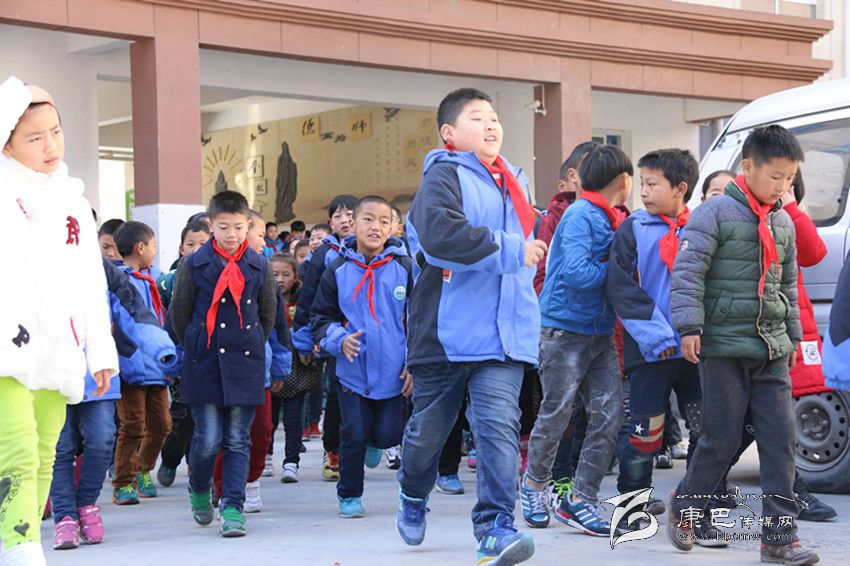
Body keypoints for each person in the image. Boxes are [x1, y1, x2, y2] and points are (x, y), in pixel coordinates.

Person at [399, 88, 546, 566]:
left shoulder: (516, 183)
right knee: (429, 432)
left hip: (503, 335)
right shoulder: (442, 176)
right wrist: (512, 250)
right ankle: (413, 492)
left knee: (498, 428)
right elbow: (440, 239)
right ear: (449, 132)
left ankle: (495, 529)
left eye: (494, 117)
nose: (491, 125)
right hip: (445, 334)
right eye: (477, 117)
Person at [667, 125, 818, 565]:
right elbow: (688, 272)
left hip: (771, 349)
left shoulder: (782, 221)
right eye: (776, 176)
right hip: (722, 347)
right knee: (721, 439)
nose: (783, 186)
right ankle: (686, 506)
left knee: (780, 441)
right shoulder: (713, 213)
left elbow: (786, 285)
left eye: (790, 178)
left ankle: (779, 538)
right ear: (747, 167)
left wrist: (792, 337)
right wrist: (689, 326)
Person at [0, 76, 118, 566]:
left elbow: (90, 281)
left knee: (45, 453)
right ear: (6, 142)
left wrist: (100, 350)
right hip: (7, 346)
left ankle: (18, 540)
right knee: (17, 449)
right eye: (34, 137)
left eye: (56, 131)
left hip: (60, 346)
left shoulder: (72, 200)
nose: (51, 146)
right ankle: (22, 550)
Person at [520, 145, 631, 537]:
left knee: (609, 414)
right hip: (564, 330)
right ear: (624, 181)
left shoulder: (611, 216)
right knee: (558, 413)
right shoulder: (582, 214)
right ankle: (534, 485)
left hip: (598, 332)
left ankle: (581, 498)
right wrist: (618, 270)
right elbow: (578, 273)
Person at [605, 149, 704, 530]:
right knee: (645, 434)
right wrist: (658, 336)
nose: (643, 192)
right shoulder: (632, 229)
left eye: (652, 184)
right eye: (641, 183)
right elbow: (621, 287)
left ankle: (695, 505)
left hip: (697, 351)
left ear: (681, 188)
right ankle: (632, 506)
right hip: (651, 351)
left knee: (705, 429)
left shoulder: (701, 228)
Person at [168, 190, 277, 538]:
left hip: (244, 363)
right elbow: (179, 315)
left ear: (248, 227)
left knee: (237, 440)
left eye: (239, 227)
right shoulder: (193, 264)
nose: (232, 234)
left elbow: (267, 316)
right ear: (211, 225)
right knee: (208, 439)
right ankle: (200, 488)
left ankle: (232, 506)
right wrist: (198, 342)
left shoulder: (259, 265)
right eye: (224, 227)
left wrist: (250, 342)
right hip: (204, 361)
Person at [51, 259, 178, 549]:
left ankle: (86, 504)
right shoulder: (34, 258)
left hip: (98, 372)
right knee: (61, 447)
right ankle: (64, 516)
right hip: (52, 375)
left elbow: (133, 312)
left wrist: (161, 348)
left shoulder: (101, 268)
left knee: (102, 440)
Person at [311, 195, 413, 518]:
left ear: (393, 227)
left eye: (384, 221)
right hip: (352, 370)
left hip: (394, 371)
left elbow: (419, 319)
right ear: (353, 224)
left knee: (389, 434)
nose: (375, 227)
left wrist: (414, 362)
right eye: (367, 219)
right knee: (352, 433)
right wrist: (339, 341)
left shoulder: (405, 267)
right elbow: (320, 318)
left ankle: (374, 441)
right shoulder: (338, 269)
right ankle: (349, 494)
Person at [209, 210, 290, 513]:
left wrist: (279, 364)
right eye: (258, 233)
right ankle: (223, 489)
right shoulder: (209, 269)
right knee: (225, 436)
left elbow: (277, 325)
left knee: (261, 431)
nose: (262, 240)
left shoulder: (263, 272)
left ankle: (251, 480)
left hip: (257, 371)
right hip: (220, 371)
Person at [292, 194, 359, 481]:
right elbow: (308, 298)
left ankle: (369, 440)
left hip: (370, 337)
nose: (345, 220)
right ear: (330, 223)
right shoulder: (324, 254)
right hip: (333, 336)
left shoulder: (378, 250)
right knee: (335, 393)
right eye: (338, 216)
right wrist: (305, 340)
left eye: (350, 215)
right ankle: (333, 450)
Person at [110, 221, 177, 505]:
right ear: (140, 248)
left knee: (162, 425)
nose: (155, 252)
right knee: (133, 426)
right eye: (153, 247)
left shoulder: (155, 280)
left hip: (157, 369)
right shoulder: (118, 281)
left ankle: (141, 469)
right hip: (132, 368)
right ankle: (123, 482)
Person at [155, 220, 211, 488]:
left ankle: (196, 467)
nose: (197, 249)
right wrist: (170, 361)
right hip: (182, 359)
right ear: (181, 248)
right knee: (182, 420)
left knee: (206, 422)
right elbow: (168, 324)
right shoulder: (169, 282)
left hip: (210, 359)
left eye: (203, 243)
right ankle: (169, 460)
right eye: (191, 244)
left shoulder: (221, 274)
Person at [267, 253, 320, 482]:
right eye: (274, 274)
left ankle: (291, 462)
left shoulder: (304, 299)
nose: (280, 280)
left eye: (285, 274)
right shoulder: (263, 296)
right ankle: (266, 456)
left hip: (298, 367)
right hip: (270, 367)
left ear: (295, 276)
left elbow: (312, 323)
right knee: (268, 420)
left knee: (293, 419)